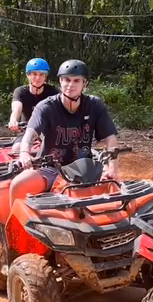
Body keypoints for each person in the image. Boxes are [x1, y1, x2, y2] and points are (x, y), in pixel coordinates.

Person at [11, 59, 120, 200]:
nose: (70, 85)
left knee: (116, 190)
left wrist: (113, 168)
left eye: (76, 81)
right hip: (50, 168)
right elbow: (31, 134)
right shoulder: (46, 107)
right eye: (67, 79)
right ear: (60, 81)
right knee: (18, 184)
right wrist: (25, 153)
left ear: (84, 84)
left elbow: (110, 138)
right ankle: (13, 222)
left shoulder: (94, 105)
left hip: (85, 169)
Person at [8, 57, 59, 132]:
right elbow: (16, 109)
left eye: (41, 74)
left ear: (45, 76)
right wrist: (13, 120)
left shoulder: (53, 91)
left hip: (48, 133)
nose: (38, 78)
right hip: (26, 132)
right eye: (34, 74)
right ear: (28, 75)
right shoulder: (21, 91)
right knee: (19, 144)